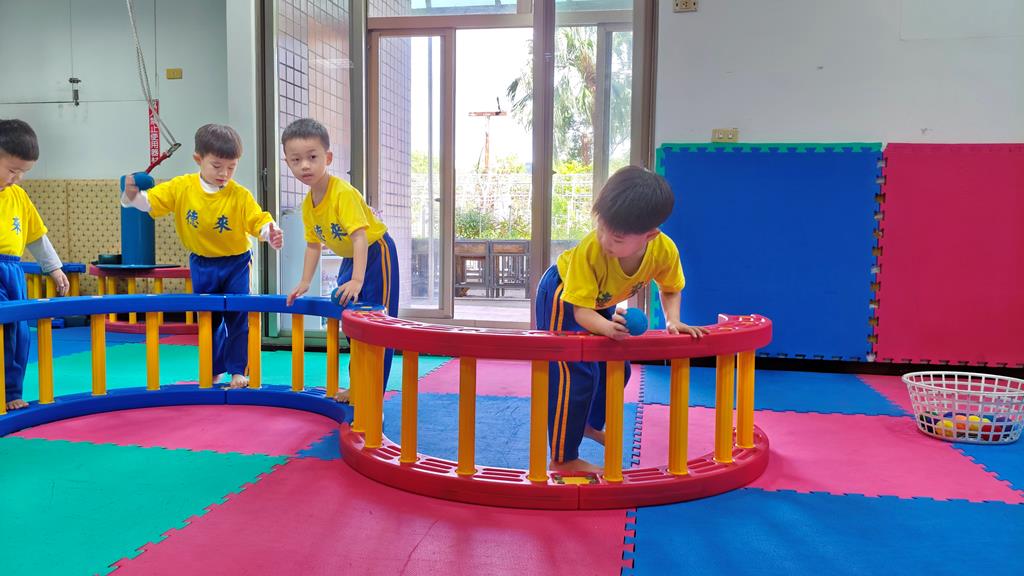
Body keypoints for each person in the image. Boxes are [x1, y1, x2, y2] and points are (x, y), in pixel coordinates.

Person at [535, 165, 708, 473]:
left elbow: (670, 288)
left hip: (598, 300)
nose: (604, 240)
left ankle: (586, 424)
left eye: (616, 237)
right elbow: (580, 311)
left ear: (650, 235)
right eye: (601, 227)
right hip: (564, 294)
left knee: (617, 368)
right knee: (573, 374)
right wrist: (607, 328)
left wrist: (673, 320)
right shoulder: (592, 251)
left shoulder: (663, 251)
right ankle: (563, 458)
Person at [121, 124, 283, 389]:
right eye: (217, 166)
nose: (224, 173)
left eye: (231, 167)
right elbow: (151, 202)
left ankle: (238, 371)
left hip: (237, 262)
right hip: (202, 263)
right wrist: (132, 197)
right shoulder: (182, 187)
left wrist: (269, 232)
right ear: (198, 159)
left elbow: (257, 219)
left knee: (238, 315)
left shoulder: (239, 195)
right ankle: (214, 369)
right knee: (209, 318)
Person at [282, 118, 399, 403]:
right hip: (351, 258)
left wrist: (358, 279)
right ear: (287, 163)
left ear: (328, 158)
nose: (305, 166)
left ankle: (372, 394)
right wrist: (305, 282)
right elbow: (313, 245)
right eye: (296, 160)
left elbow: (360, 236)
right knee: (354, 326)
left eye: (312, 157)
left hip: (375, 252)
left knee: (377, 325)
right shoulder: (308, 205)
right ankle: (358, 385)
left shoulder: (341, 193)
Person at [0, 119, 70, 410]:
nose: (17, 178)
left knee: (18, 334)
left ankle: (10, 392)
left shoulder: (18, 196)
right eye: (12, 170)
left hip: (12, 271)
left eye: (23, 172)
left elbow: (36, 236)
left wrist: (53, 267)